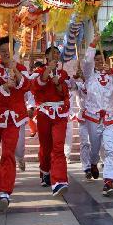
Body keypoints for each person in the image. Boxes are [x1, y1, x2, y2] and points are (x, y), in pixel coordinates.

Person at [0, 36, 30, 211]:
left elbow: (27, 86)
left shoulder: (21, 68)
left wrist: (15, 71)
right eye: (3, 52)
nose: (6, 55)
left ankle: (4, 192)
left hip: (14, 118)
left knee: (8, 153)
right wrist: (4, 88)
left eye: (9, 52)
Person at [79, 37, 113, 196]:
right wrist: (92, 44)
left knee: (111, 149)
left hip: (110, 119)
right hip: (93, 118)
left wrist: (112, 71)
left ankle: (109, 180)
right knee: (95, 147)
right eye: (96, 59)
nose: (98, 62)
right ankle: (92, 162)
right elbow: (86, 63)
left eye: (101, 59)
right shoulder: (89, 75)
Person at [31, 46, 71, 198]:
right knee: (46, 146)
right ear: (46, 55)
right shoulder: (38, 72)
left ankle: (60, 181)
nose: (55, 55)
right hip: (44, 113)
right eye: (52, 53)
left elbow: (65, 92)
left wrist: (58, 84)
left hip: (60, 114)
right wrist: (48, 71)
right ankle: (45, 170)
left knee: (58, 147)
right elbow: (36, 87)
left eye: (57, 53)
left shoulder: (63, 73)